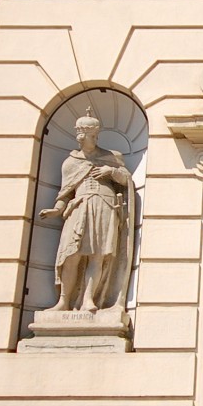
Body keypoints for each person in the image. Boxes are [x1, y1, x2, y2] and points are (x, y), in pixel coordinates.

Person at [37, 112, 135, 312]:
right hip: (79, 206)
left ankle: (88, 299)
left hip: (105, 205)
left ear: (96, 136)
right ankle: (64, 301)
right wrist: (56, 210)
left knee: (97, 256)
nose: (84, 139)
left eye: (89, 135)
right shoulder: (70, 162)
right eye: (81, 136)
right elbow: (65, 193)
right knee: (71, 255)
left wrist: (111, 171)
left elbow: (127, 181)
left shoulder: (112, 157)